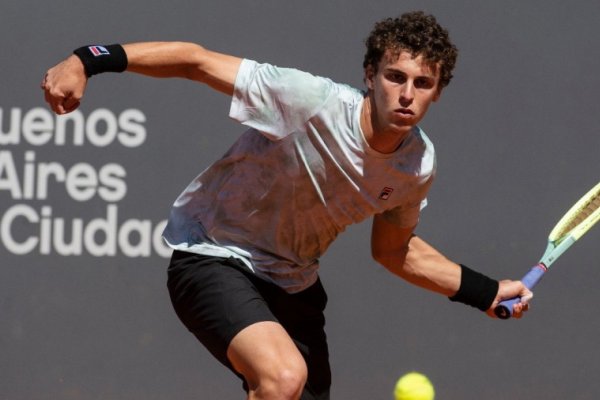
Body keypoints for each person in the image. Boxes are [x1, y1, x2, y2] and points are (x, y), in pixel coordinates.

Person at [41, 11, 532, 400]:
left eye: (422, 84)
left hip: (293, 285)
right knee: (281, 377)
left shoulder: (416, 166)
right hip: (213, 256)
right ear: (370, 75)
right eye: (394, 76)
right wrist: (88, 59)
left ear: (438, 92)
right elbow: (195, 60)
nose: (406, 94)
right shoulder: (307, 99)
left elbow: (394, 251)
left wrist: (485, 292)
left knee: (291, 387)